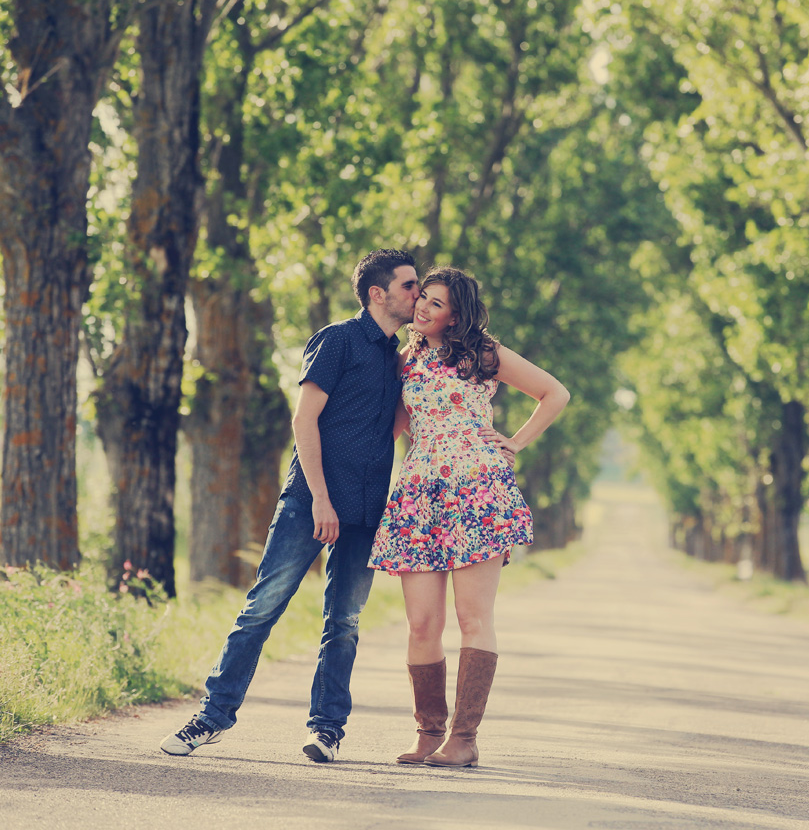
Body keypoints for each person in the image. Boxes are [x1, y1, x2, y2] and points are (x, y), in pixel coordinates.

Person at [160, 248, 421, 763]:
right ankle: (210, 719)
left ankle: (326, 729)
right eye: (410, 285)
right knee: (262, 609)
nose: (418, 293)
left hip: (367, 510)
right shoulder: (338, 340)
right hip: (311, 502)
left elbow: (392, 425)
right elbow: (304, 422)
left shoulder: (399, 359)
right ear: (378, 293)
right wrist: (322, 499)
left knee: (343, 622)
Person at [369, 265, 569, 769]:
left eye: (436, 304)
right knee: (421, 623)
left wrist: (515, 442)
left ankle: (464, 737)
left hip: (476, 490)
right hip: (419, 493)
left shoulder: (484, 354)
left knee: (472, 617)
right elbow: (393, 430)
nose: (422, 308)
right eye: (422, 299)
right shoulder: (405, 360)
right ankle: (428, 731)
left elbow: (555, 393)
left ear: (456, 315)